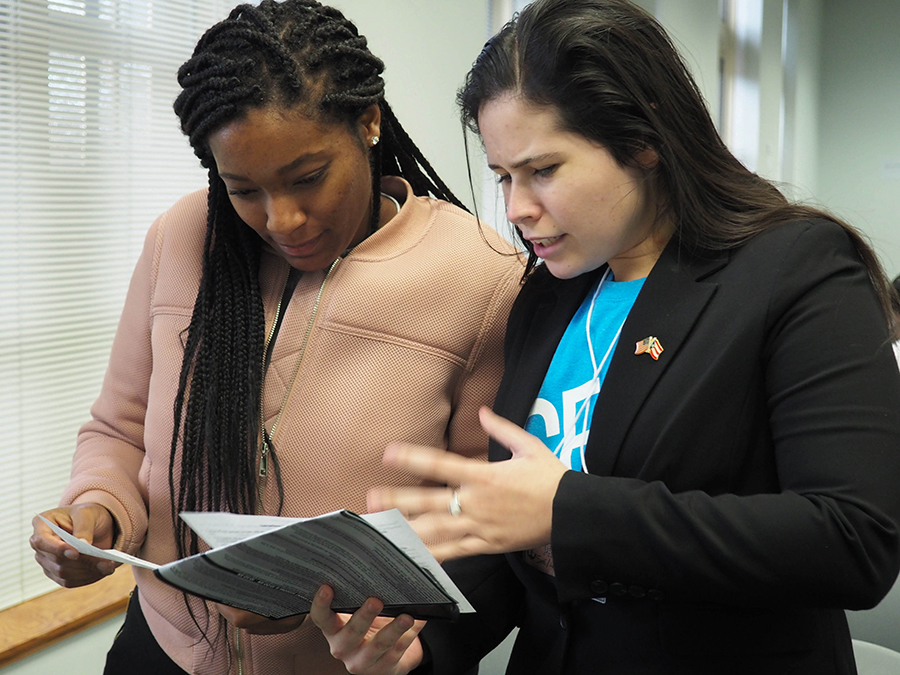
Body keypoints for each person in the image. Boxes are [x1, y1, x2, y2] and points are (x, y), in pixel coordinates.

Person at [308, 0, 900, 673]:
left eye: (544, 170)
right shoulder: (550, 294)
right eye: (504, 176)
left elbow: (853, 539)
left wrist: (570, 509)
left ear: (643, 141)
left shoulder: (797, 268)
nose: (517, 209)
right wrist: (420, 644)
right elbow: (521, 554)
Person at [28, 1, 522, 673]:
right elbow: (119, 427)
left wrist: (379, 622)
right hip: (164, 644)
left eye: (307, 177)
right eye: (244, 189)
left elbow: (487, 523)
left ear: (368, 122)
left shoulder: (480, 277)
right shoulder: (181, 238)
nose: (281, 218)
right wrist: (96, 511)